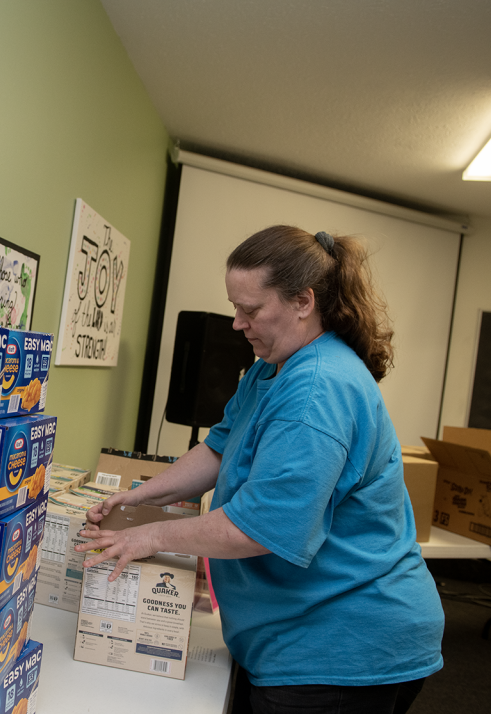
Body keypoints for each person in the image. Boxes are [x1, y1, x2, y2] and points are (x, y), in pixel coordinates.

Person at [77, 225, 444, 714]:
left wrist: (150, 537)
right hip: (292, 631)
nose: (236, 323)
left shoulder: (317, 391)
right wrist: (142, 497)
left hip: (340, 645)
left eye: (250, 310)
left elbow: (262, 527)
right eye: (235, 307)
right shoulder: (271, 368)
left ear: (303, 302)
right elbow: (216, 450)